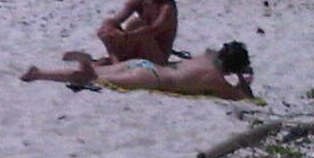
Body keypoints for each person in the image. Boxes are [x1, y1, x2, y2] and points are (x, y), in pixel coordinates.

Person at [22, 40, 254, 99]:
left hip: (145, 64)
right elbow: (242, 97)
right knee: (91, 78)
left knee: (96, 73)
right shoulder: (215, 80)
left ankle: (39, 73)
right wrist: (244, 81)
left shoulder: (206, 56)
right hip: (149, 78)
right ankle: (82, 64)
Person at [95, 0, 179, 64]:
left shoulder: (168, 7)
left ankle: (116, 62)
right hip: (138, 46)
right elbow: (117, 20)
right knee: (107, 25)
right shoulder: (140, 0)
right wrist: (109, 28)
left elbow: (154, 30)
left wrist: (124, 36)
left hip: (158, 56)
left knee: (138, 27)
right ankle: (116, 61)